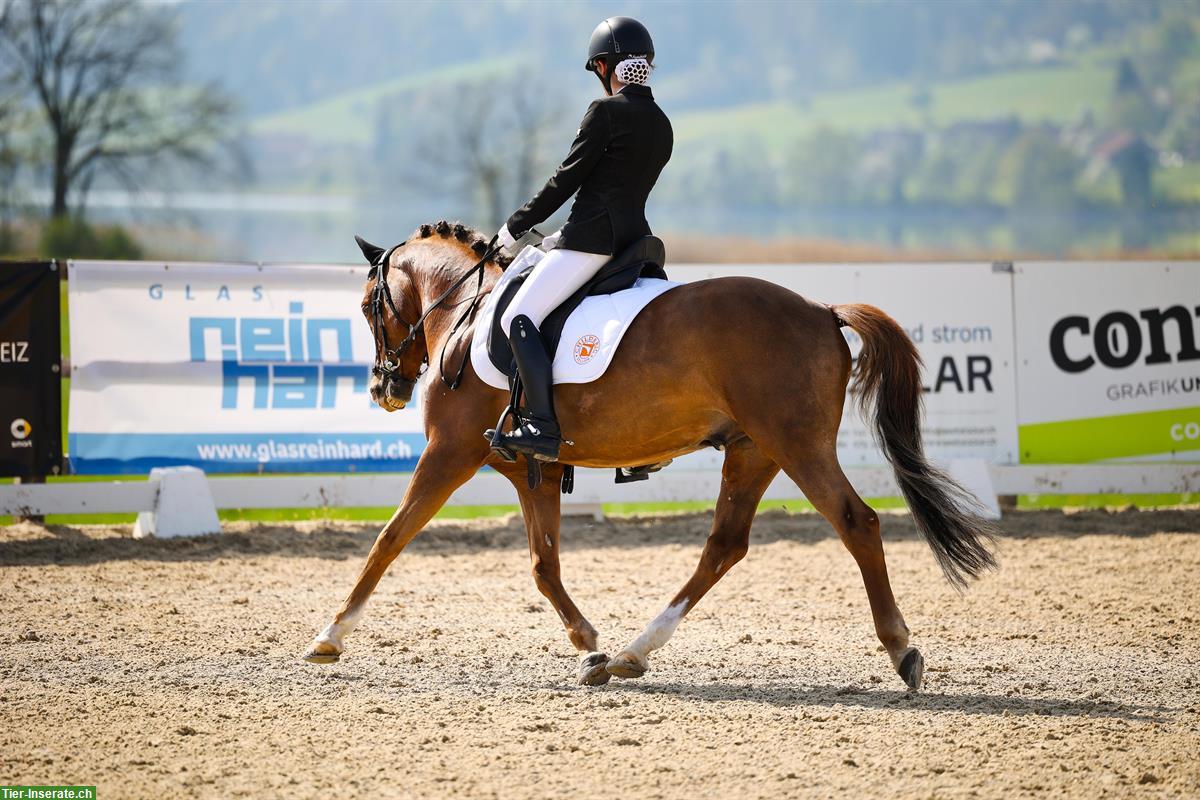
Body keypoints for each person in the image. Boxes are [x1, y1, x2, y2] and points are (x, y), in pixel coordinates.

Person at [489, 16, 673, 463]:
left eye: (598, 70)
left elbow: (565, 181)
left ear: (606, 66)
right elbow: (618, 189)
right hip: (635, 243)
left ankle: (540, 426)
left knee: (518, 316)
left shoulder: (604, 112)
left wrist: (514, 228)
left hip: (592, 243)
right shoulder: (662, 123)